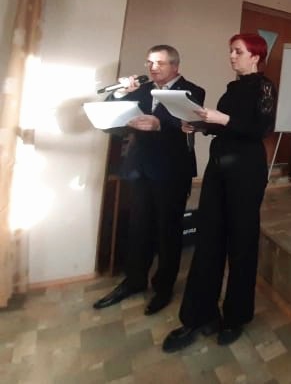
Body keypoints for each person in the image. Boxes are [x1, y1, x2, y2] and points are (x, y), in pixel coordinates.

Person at [162, 33, 277, 352]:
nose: (232, 56)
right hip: (218, 168)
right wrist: (199, 124)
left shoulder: (264, 87)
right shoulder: (232, 88)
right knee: (208, 239)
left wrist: (221, 118)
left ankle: (236, 317)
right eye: (231, 51)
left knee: (242, 241)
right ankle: (199, 315)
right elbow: (226, 127)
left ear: (255, 56)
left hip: (247, 171)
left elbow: (260, 129)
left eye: (238, 51)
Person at [93, 45, 204, 316]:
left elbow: (187, 120)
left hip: (172, 171)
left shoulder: (192, 90)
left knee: (168, 230)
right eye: (150, 63)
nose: (153, 68)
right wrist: (121, 93)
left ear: (175, 66)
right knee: (138, 227)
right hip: (140, 168)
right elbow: (112, 118)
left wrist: (159, 124)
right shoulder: (141, 90)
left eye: (160, 63)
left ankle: (163, 287)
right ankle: (134, 281)